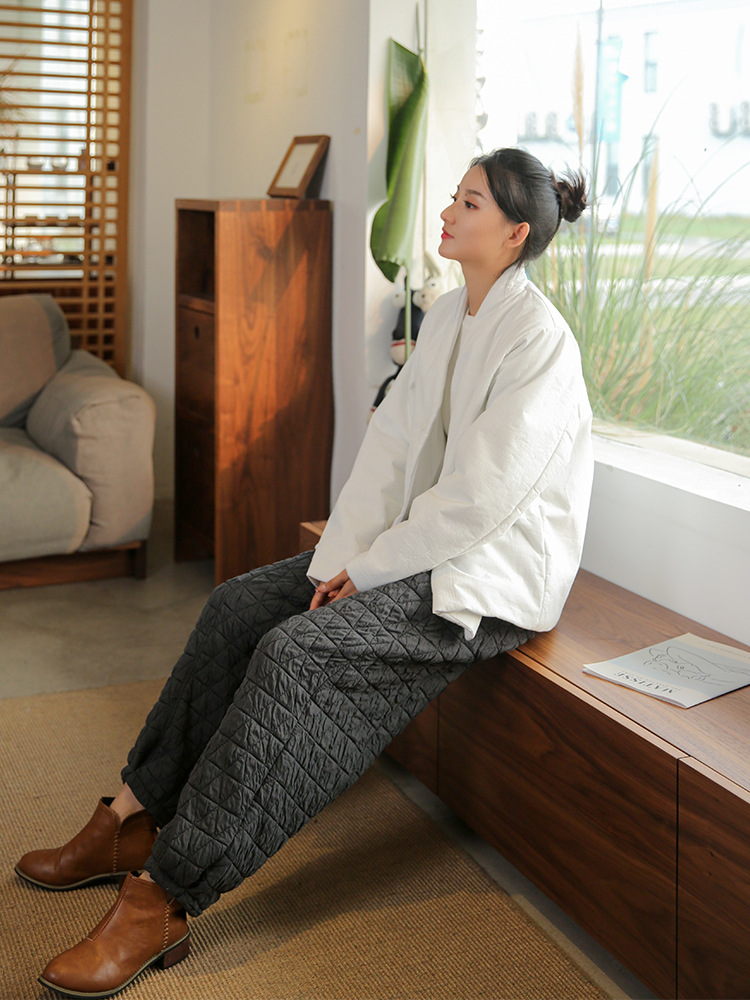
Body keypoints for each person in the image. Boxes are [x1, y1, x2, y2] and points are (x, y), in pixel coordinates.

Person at [16, 146, 593, 999]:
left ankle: (164, 898)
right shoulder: (447, 314)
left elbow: (483, 499)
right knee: (238, 607)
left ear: (515, 233)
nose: (445, 212)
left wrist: (374, 569)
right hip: (414, 547)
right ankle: (130, 818)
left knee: (297, 655)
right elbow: (391, 447)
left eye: (468, 203)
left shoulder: (540, 342)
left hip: (486, 576)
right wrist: (345, 559)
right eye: (453, 196)